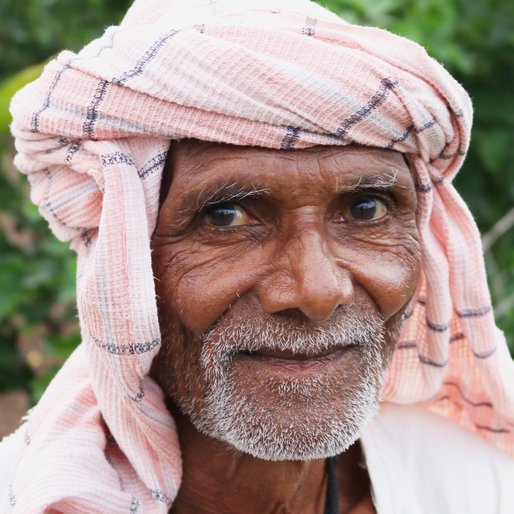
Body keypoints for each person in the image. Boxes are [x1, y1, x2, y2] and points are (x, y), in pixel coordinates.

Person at [1, 0, 514, 512]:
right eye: (226, 217)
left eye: (365, 209)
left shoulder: (473, 485)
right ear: (127, 260)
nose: (316, 292)